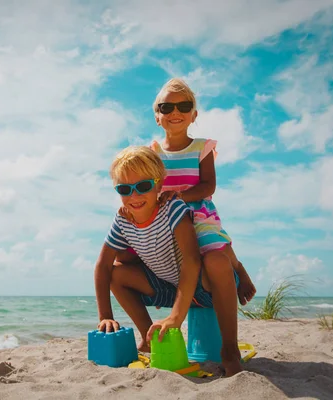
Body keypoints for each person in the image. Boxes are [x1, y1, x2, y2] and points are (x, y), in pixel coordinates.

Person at [94, 145, 243, 376]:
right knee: (116, 272)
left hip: (205, 288)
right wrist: (105, 316)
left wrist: (176, 317)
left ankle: (230, 350)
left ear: (159, 185)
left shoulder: (172, 208)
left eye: (143, 186)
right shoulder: (122, 220)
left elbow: (192, 260)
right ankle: (149, 337)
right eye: (125, 189)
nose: (134, 196)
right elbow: (103, 266)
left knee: (216, 261)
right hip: (169, 288)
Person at [121, 77, 256, 306]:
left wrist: (181, 196)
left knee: (210, 241)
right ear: (157, 116)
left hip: (197, 210)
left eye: (184, 107)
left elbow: (208, 186)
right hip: (165, 214)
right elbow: (142, 184)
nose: (176, 112)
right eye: (167, 107)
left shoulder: (201, 147)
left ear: (194, 116)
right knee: (131, 252)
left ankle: (239, 270)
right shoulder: (152, 152)